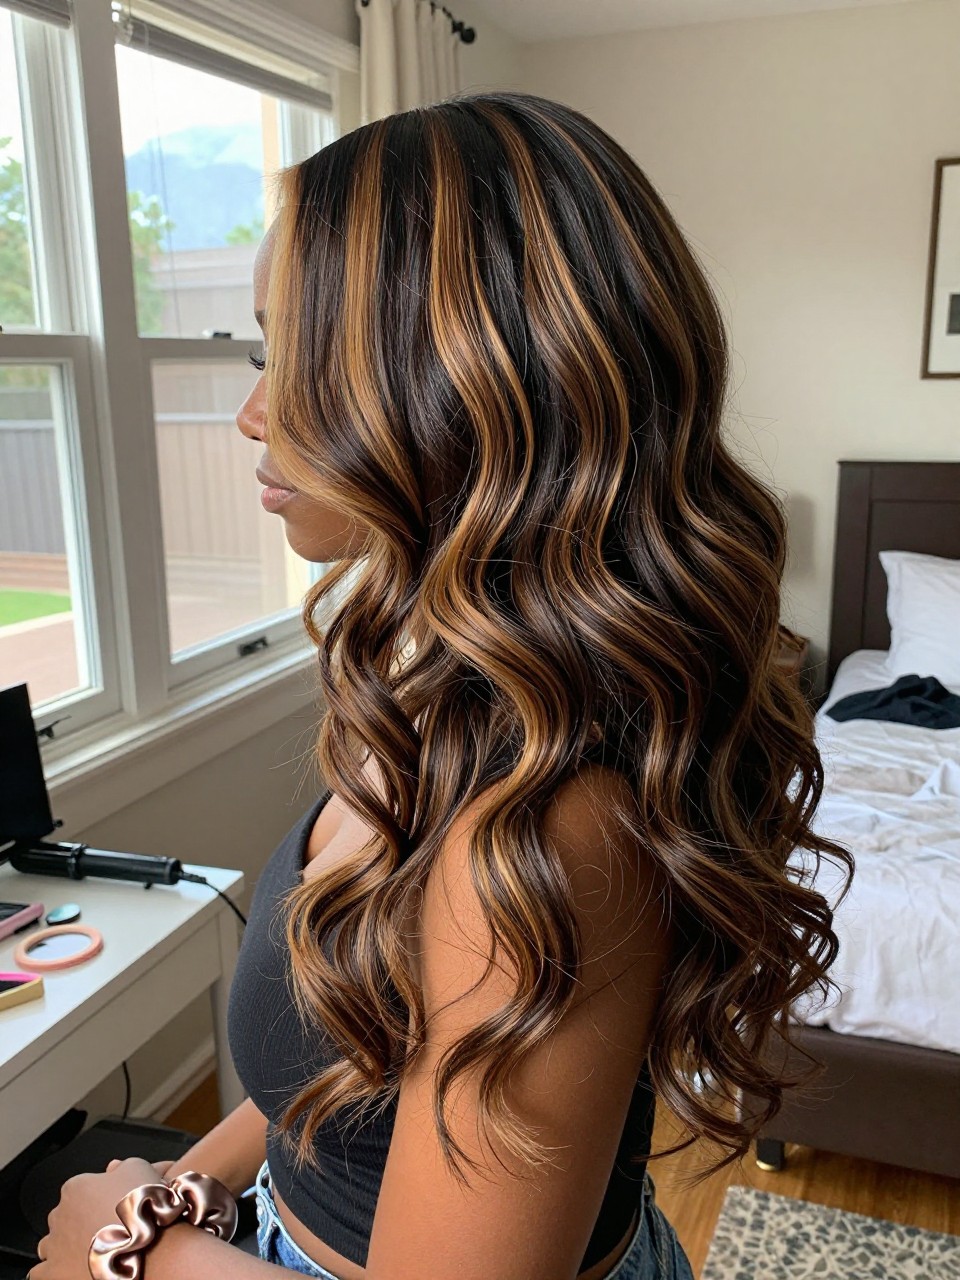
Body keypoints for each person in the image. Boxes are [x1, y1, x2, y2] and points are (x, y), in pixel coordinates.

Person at [33, 91, 849, 1280]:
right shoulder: (440, 691)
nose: (253, 413)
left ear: (464, 382)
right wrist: (184, 1182)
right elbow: (352, 1056)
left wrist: (125, 1254)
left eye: (294, 357)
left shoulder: (543, 824)